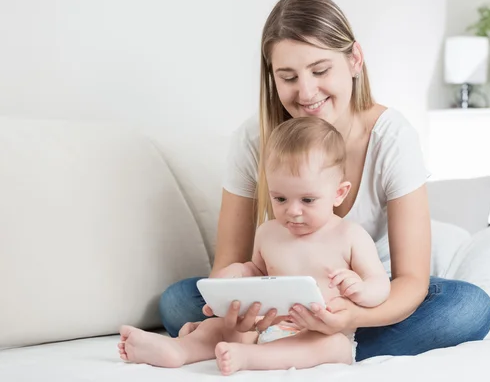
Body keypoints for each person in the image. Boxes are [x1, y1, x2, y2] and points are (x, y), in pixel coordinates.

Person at [159, 0, 490, 361]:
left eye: (320, 70)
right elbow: (229, 265)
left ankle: (301, 346)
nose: (306, 92)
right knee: (178, 301)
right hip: (277, 299)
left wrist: (350, 316)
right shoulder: (254, 139)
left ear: (354, 60)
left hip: (360, 300)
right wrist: (241, 308)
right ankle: (300, 346)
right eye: (287, 77)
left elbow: (411, 280)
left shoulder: (391, 137)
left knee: (469, 307)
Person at [118, 117, 391, 375]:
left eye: (307, 200)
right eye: (280, 198)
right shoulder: (269, 232)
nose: (293, 211)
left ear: (338, 193)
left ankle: (249, 358)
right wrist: (237, 275)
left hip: (320, 331)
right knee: (219, 326)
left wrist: (361, 289)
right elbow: (257, 270)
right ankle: (178, 350)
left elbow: (380, 284)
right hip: (266, 326)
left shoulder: (350, 235)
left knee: (334, 346)